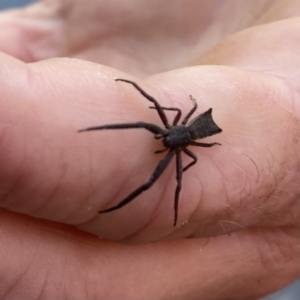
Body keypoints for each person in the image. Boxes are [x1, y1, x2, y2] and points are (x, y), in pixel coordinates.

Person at [0, 0, 299, 299]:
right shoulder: (175, 134)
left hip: (196, 129)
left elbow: (185, 163)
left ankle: (120, 203)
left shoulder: (184, 147)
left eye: (168, 140)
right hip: (191, 128)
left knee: (155, 182)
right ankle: (93, 140)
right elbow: (157, 105)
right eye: (166, 137)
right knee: (144, 124)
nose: (164, 140)